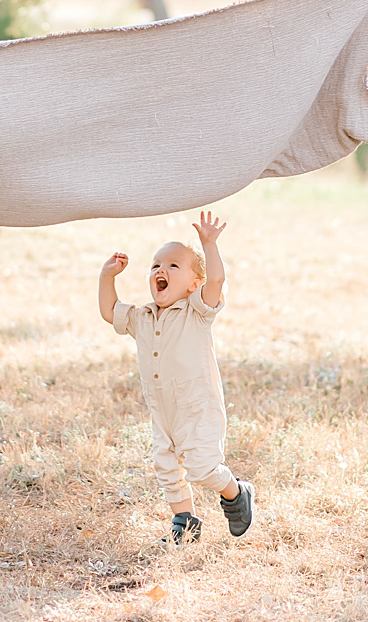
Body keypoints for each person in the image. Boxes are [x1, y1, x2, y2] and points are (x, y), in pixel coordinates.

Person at [99, 211, 255, 544]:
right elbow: (109, 310)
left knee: (202, 468)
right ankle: (185, 523)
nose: (161, 270)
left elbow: (215, 281)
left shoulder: (197, 311)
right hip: (163, 410)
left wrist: (208, 245)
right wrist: (106, 276)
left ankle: (236, 493)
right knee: (167, 470)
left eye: (173, 266)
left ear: (193, 284)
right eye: (155, 265)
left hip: (197, 406)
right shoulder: (143, 317)